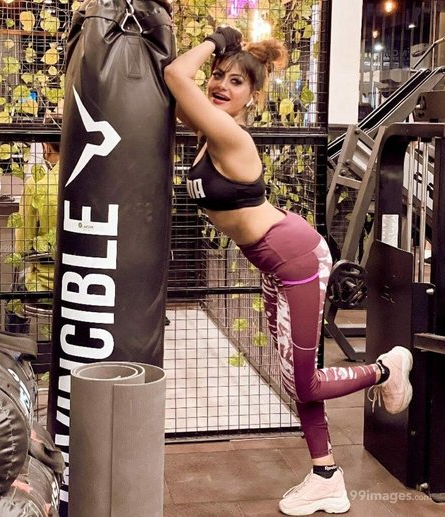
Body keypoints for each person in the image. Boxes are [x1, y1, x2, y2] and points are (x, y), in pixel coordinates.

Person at [164, 26, 414, 516]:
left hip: (296, 258)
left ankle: (387, 367)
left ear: (253, 97)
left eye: (236, 81)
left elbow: (175, 74)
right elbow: (174, 87)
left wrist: (215, 40)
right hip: (273, 262)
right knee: (294, 377)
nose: (221, 85)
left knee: (304, 381)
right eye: (218, 76)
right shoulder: (207, 130)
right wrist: (219, 56)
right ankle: (326, 476)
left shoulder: (229, 135)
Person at [5, 141, 60, 333]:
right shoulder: (93, 183)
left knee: (13, 296)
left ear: (46, 147)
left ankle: (14, 348)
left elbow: (22, 247)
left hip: (46, 283)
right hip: (87, 284)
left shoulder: (36, 184)